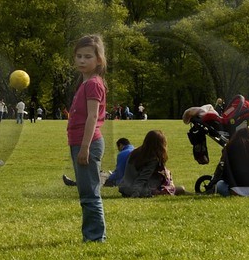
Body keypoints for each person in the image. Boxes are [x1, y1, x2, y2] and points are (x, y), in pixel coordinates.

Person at [65, 33, 108, 242]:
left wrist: (85, 147)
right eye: (79, 56)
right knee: (86, 192)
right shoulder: (84, 82)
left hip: (87, 143)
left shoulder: (93, 84)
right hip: (79, 143)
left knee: (90, 194)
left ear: (98, 60)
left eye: (88, 56)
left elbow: (92, 116)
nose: (82, 60)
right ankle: (92, 235)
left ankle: (94, 237)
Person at [118, 129, 182, 197]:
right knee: (181, 189)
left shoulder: (134, 153)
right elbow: (142, 178)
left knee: (167, 173)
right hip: (139, 189)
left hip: (125, 187)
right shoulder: (152, 158)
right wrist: (135, 193)